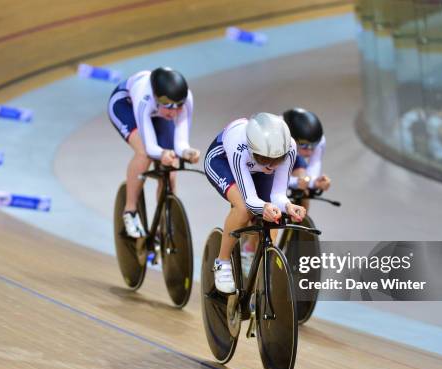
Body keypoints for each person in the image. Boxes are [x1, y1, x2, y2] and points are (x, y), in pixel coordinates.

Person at [204, 112, 306, 293]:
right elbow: (250, 200)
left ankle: (263, 272)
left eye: (277, 160)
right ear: (252, 150)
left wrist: (289, 206)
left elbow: (278, 195)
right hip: (223, 162)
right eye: (264, 159)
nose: (271, 166)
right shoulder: (239, 145)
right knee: (243, 209)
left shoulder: (289, 148)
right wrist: (264, 206)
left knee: (275, 216)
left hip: (254, 170)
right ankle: (222, 262)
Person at [108, 67, 200, 238]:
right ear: (157, 99)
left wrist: (187, 153)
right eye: (169, 107)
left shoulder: (185, 99)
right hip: (125, 106)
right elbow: (151, 148)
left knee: (171, 169)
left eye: (178, 107)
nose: (174, 113)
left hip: (156, 114)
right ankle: (130, 211)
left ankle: (165, 223)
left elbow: (180, 144)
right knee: (144, 153)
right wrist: (162, 153)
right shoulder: (145, 97)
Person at [283, 108, 331, 197]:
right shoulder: (278, 139)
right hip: (271, 157)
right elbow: (269, 178)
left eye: (313, 147)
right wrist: (295, 182)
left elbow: (314, 166)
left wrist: (314, 182)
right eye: (305, 147)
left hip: (292, 153)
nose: (309, 153)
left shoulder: (319, 140)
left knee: (304, 189)